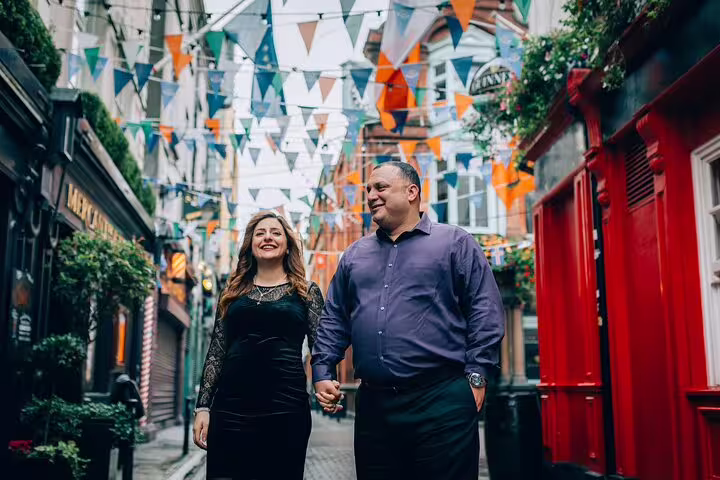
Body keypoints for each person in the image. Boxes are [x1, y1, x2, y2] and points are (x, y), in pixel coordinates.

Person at [312, 162, 505, 480]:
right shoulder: (353, 256)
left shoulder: (455, 243)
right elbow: (334, 318)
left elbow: (485, 311)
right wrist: (322, 369)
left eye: (381, 187)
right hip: (375, 407)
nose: (371, 195)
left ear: (412, 192)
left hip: (442, 401)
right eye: (368, 190)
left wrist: (477, 375)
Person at [193, 211, 326, 479]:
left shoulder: (306, 292)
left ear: (288, 244)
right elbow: (217, 351)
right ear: (250, 244)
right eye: (260, 232)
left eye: (276, 233)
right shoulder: (232, 292)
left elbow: (321, 348)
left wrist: (327, 382)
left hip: (286, 410)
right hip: (230, 408)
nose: (268, 237)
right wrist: (203, 407)